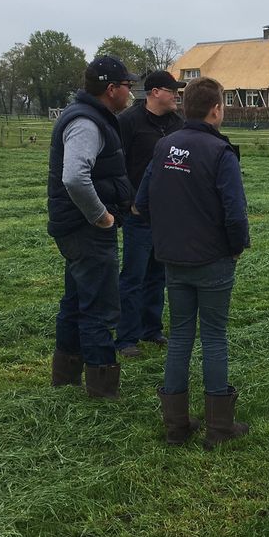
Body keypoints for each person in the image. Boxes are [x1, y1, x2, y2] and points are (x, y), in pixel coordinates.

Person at [134, 76, 251, 448]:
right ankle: (219, 426)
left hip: (173, 257)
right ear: (216, 109)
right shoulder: (221, 152)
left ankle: (177, 424)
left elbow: (143, 200)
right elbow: (235, 212)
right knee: (214, 335)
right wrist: (237, 246)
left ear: (186, 108)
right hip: (212, 258)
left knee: (181, 334)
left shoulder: (165, 146)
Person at [46, 56, 138, 399]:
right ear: (111, 89)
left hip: (74, 227)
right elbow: (74, 177)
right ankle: (102, 388)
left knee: (75, 300)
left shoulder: (91, 117)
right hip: (87, 230)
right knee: (99, 307)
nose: (130, 92)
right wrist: (102, 217)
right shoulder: (87, 122)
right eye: (127, 86)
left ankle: (66, 376)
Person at [115, 70, 187, 358]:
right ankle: (126, 338)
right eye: (172, 90)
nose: (177, 95)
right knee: (133, 275)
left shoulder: (178, 124)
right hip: (138, 214)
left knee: (159, 274)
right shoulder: (128, 122)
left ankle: (151, 329)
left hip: (168, 214)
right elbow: (115, 164)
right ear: (155, 92)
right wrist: (129, 200)